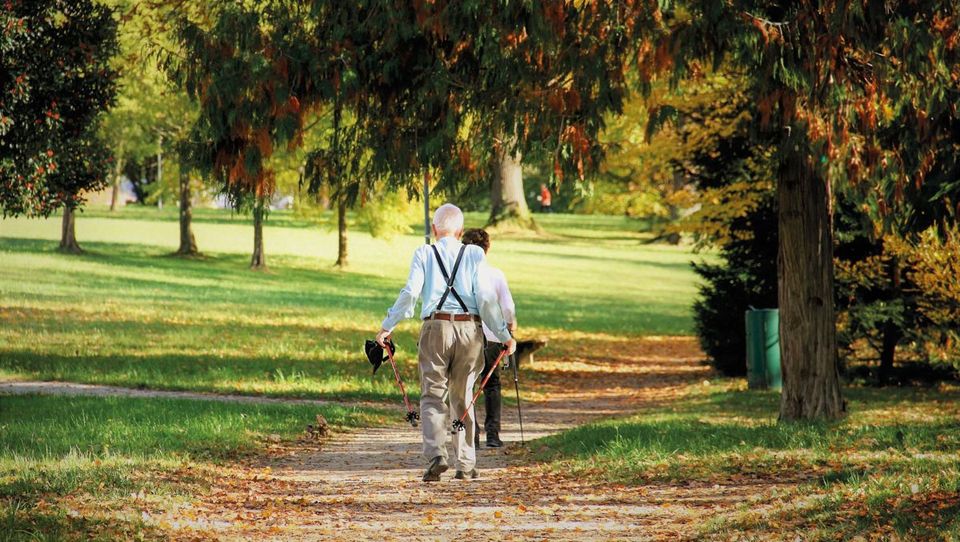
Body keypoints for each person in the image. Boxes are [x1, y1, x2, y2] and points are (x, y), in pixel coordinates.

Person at [376, 203, 516, 482]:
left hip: (435, 328)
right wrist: (504, 335)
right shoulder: (475, 254)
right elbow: (487, 301)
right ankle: (465, 464)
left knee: (432, 394)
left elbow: (410, 293)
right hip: (469, 330)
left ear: (434, 229)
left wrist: (387, 327)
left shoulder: (424, 253)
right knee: (463, 396)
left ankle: (436, 455)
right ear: (460, 231)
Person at [461, 228, 515, 448]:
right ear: (487, 248)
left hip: (466, 334)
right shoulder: (495, 274)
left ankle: (471, 435)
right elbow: (508, 307)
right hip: (493, 335)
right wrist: (510, 329)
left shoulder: (459, 276)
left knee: (467, 384)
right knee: (492, 384)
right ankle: (493, 434)